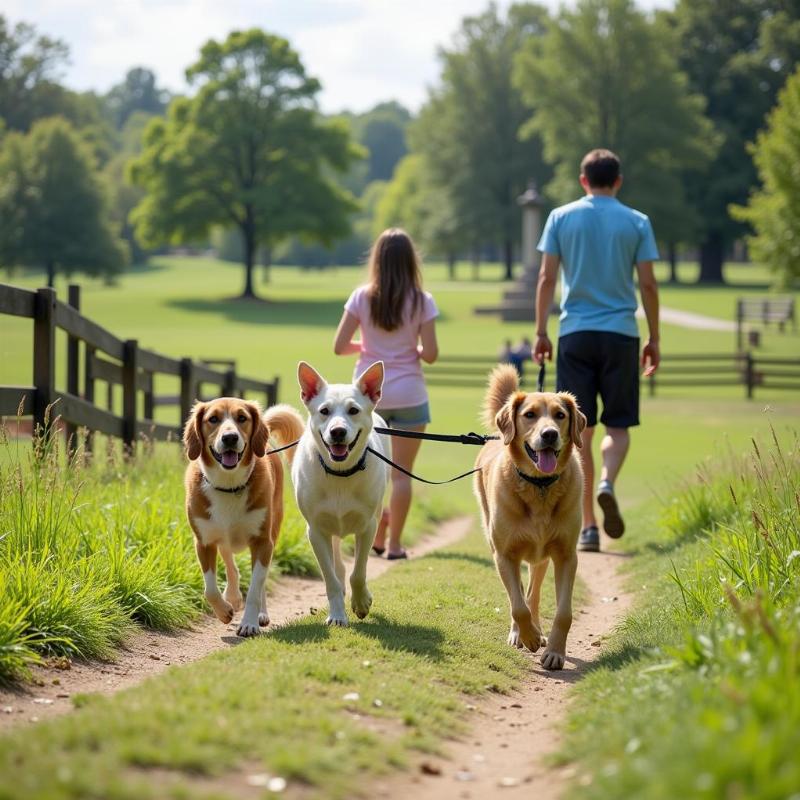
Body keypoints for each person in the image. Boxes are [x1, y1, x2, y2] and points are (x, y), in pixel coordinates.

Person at [533, 148, 660, 553]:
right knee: (618, 427)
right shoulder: (637, 221)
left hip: (575, 333)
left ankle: (587, 526)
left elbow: (546, 276)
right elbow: (649, 285)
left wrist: (540, 331)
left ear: (583, 180)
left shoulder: (560, 217)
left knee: (578, 431)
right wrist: (654, 337)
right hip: (621, 333)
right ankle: (607, 480)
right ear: (618, 181)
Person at [333, 228, 439, 559]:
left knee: (371, 472)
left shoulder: (361, 298)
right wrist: (414, 347)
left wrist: (366, 346)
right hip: (409, 394)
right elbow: (431, 354)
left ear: (377, 260)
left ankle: (376, 535)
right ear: (411, 262)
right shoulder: (423, 301)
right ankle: (393, 545)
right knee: (401, 476)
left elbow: (338, 347)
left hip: (367, 399)